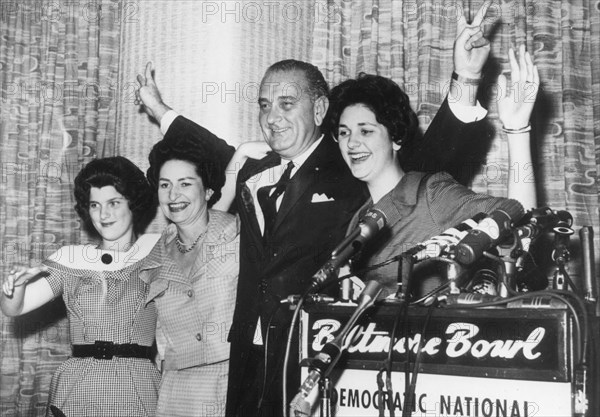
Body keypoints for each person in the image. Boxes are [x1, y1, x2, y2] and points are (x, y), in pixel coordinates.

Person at [135, 4, 494, 414]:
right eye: (264, 105)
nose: (271, 117)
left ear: (320, 110)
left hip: (318, 350)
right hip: (248, 354)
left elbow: (429, 159)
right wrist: (160, 110)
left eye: (287, 104)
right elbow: (212, 151)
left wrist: (466, 79)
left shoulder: (350, 160)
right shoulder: (257, 167)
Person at [327, 45, 539, 298]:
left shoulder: (430, 193)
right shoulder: (360, 219)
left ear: (395, 137)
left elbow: (520, 219)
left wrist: (518, 131)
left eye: (366, 131)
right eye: (343, 132)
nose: (351, 143)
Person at [0, 157, 161, 417]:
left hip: (136, 388)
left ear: (133, 204)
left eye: (114, 203)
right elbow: (15, 308)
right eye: (95, 205)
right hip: (78, 387)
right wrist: (13, 288)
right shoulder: (71, 258)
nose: (103, 214)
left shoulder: (157, 252)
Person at [139, 133, 239, 417]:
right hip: (177, 392)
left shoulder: (239, 235)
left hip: (232, 380)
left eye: (185, 184)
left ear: (208, 190)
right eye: (165, 185)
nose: (173, 195)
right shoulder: (153, 258)